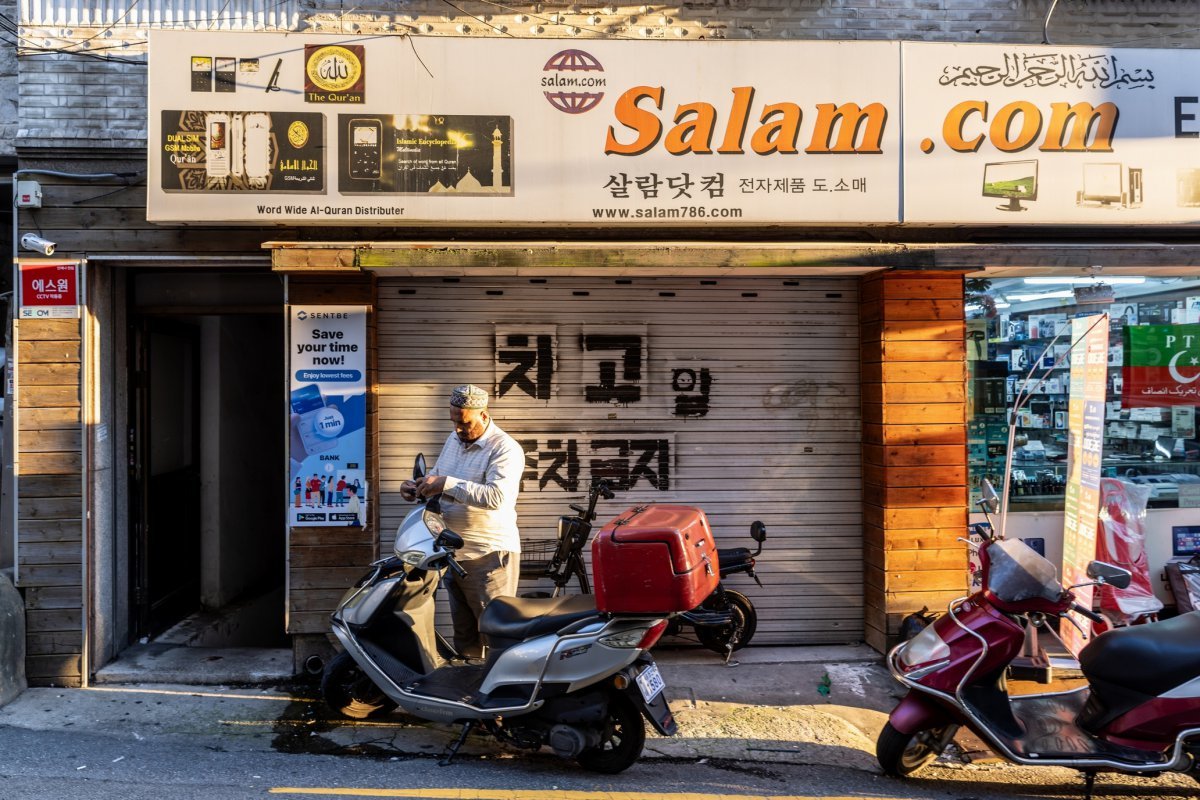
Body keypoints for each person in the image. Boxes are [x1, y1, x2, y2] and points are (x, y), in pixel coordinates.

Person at [401, 384, 524, 659]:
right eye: (454, 420)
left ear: (483, 414)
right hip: (454, 554)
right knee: (466, 636)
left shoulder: (505, 449)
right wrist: (418, 487)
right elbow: (438, 476)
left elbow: (496, 497)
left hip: (489, 557)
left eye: (465, 422)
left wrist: (447, 483)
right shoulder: (454, 439)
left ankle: (502, 695)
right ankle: (469, 690)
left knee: (496, 634)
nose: (458, 429)